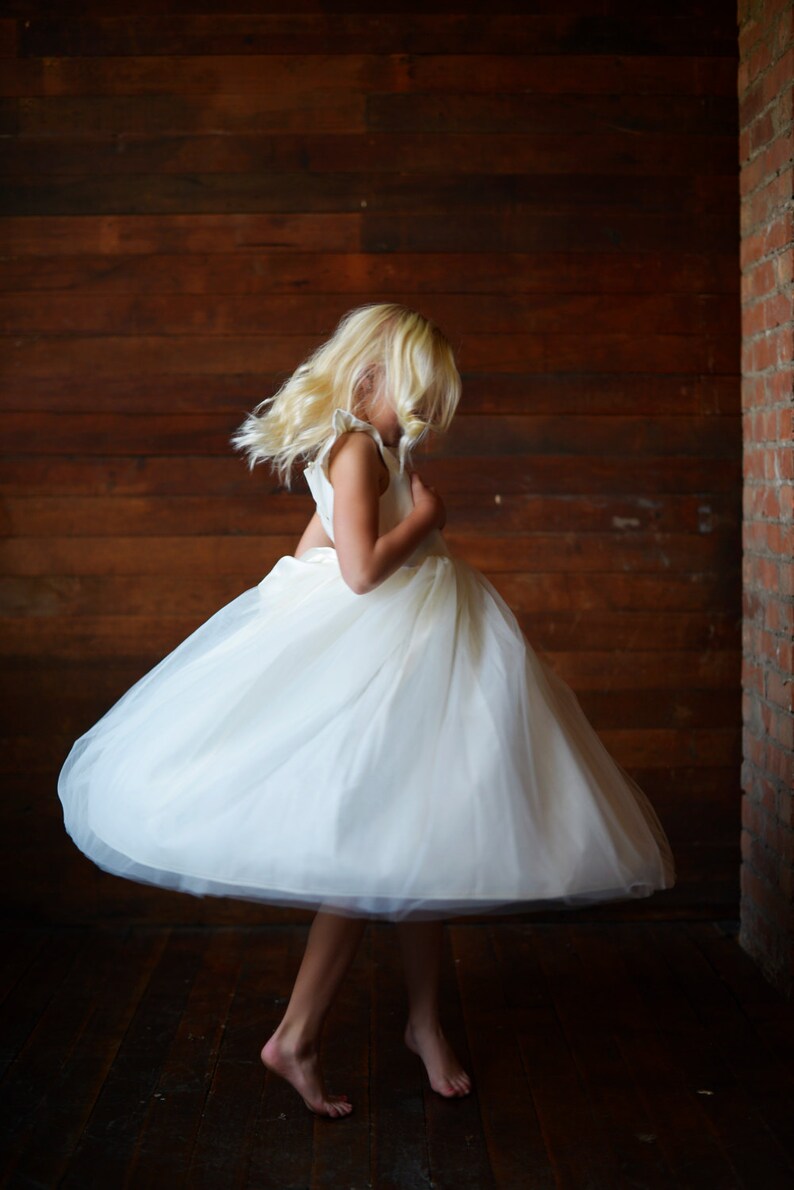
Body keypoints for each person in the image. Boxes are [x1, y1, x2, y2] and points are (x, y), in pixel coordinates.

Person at [57, 302, 676, 1119]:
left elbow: (314, 549)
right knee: (372, 841)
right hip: (388, 654)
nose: (429, 414)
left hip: (417, 656)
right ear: (373, 374)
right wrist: (426, 519)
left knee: (426, 833)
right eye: (422, 394)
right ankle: (297, 1034)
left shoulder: (382, 443)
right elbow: (356, 573)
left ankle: (423, 1021)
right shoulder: (355, 448)